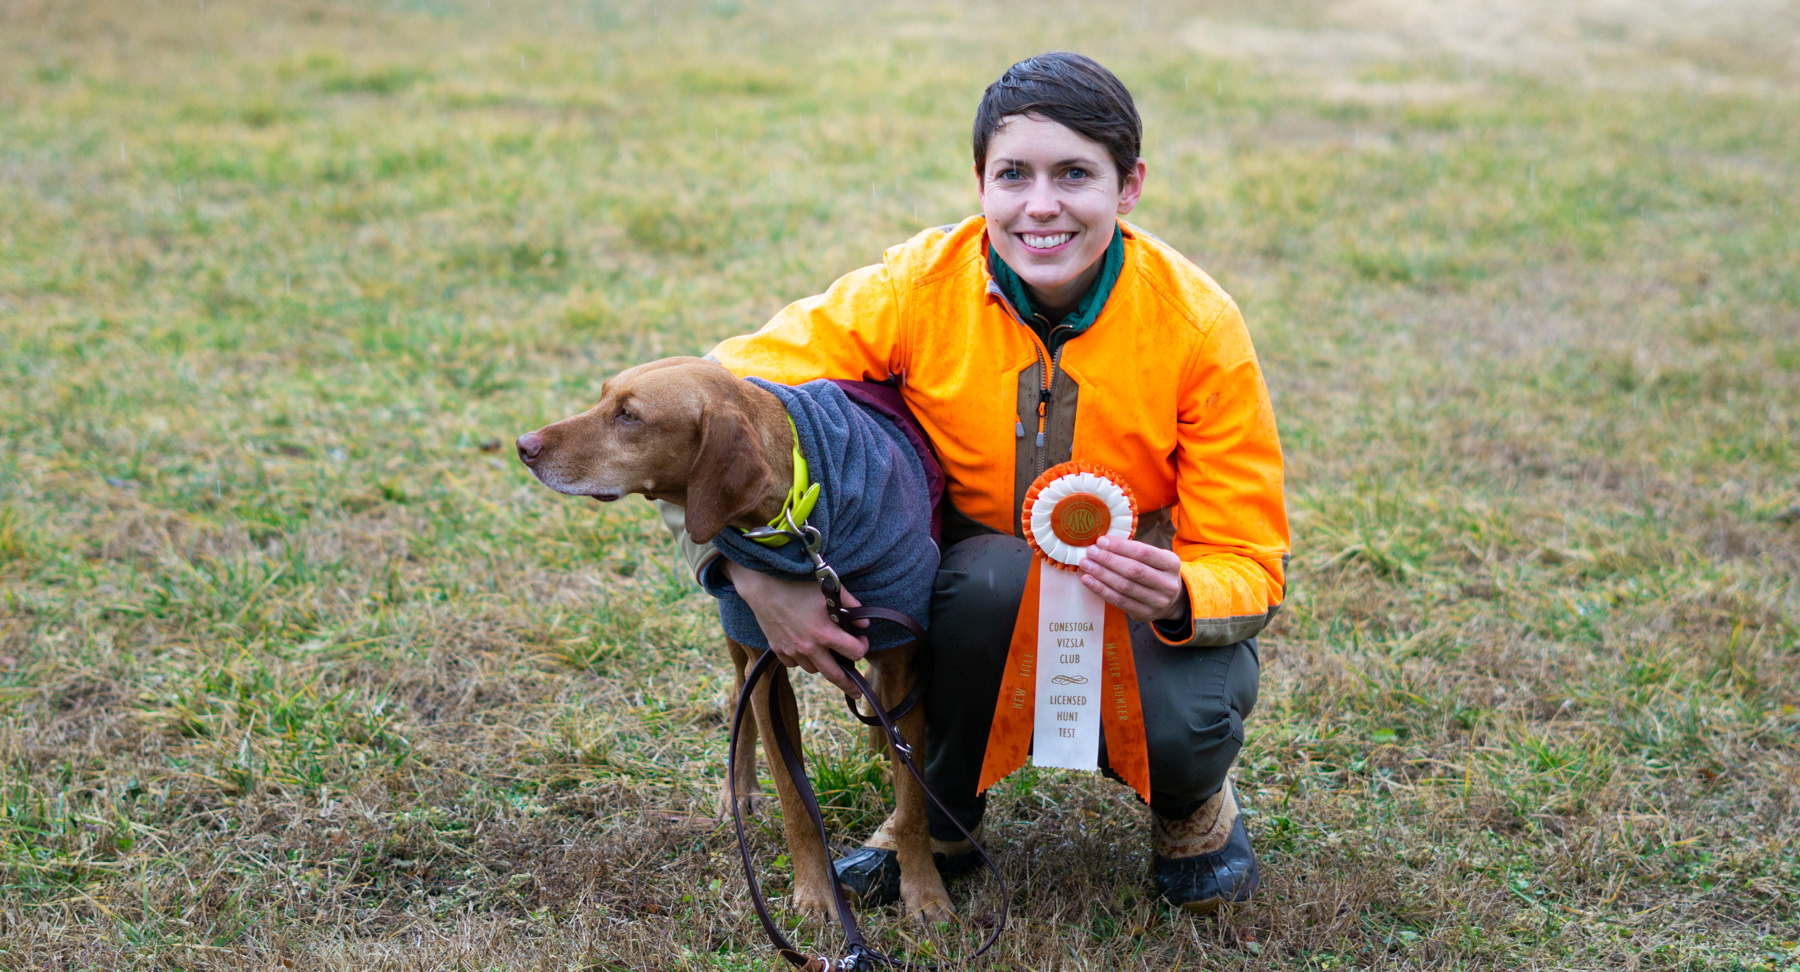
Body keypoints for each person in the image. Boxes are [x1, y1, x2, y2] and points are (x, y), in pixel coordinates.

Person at [662, 51, 1288, 912]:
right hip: (968, 593)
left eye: (1076, 174)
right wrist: (747, 567)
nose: (1041, 206)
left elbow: (1252, 559)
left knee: (1188, 714)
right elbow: (720, 391)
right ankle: (941, 816)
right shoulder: (916, 285)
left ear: (1129, 185)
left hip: (1134, 595)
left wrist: (1184, 593)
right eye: (1013, 175)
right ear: (979, 182)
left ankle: (1190, 805)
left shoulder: (1200, 325)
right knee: (984, 581)